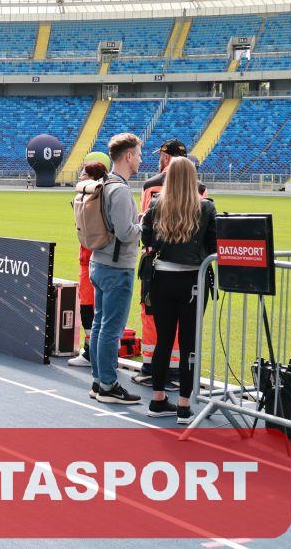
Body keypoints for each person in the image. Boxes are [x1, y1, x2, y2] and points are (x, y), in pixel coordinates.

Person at [141, 157, 216, 424]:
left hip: (161, 278)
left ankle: (157, 398)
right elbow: (214, 244)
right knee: (188, 344)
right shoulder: (205, 207)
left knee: (163, 341)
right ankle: (184, 405)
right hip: (192, 280)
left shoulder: (156, 203)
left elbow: (146, 238)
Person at [133, 139, 207, 390]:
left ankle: (151, 371)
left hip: (159, 264)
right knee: (187, 331)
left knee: (153, 318)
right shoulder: (201, 190)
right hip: (192, 268)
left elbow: (146, 225)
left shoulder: (151, 186)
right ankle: (181, 383)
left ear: (167, 158)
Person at [89, 133, 143, 405]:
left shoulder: (105, 183)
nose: (140, 160)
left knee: (100, 325)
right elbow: (125, 232)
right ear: (128, 156)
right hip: (116, 267)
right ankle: (109, 385)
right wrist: (144, 225)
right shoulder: (120, 190)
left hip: (100, 261)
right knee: (111, 329)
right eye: (139, 154)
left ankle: (99, 381)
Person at [68, 151, 111, 368]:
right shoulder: (88, 197)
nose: (80, 177)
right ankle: (91, 351)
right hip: (87, 260)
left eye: (84, 174)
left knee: (90, 308)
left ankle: (92, 353)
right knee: (88, 307)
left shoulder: (95, 199)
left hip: (92, 261)